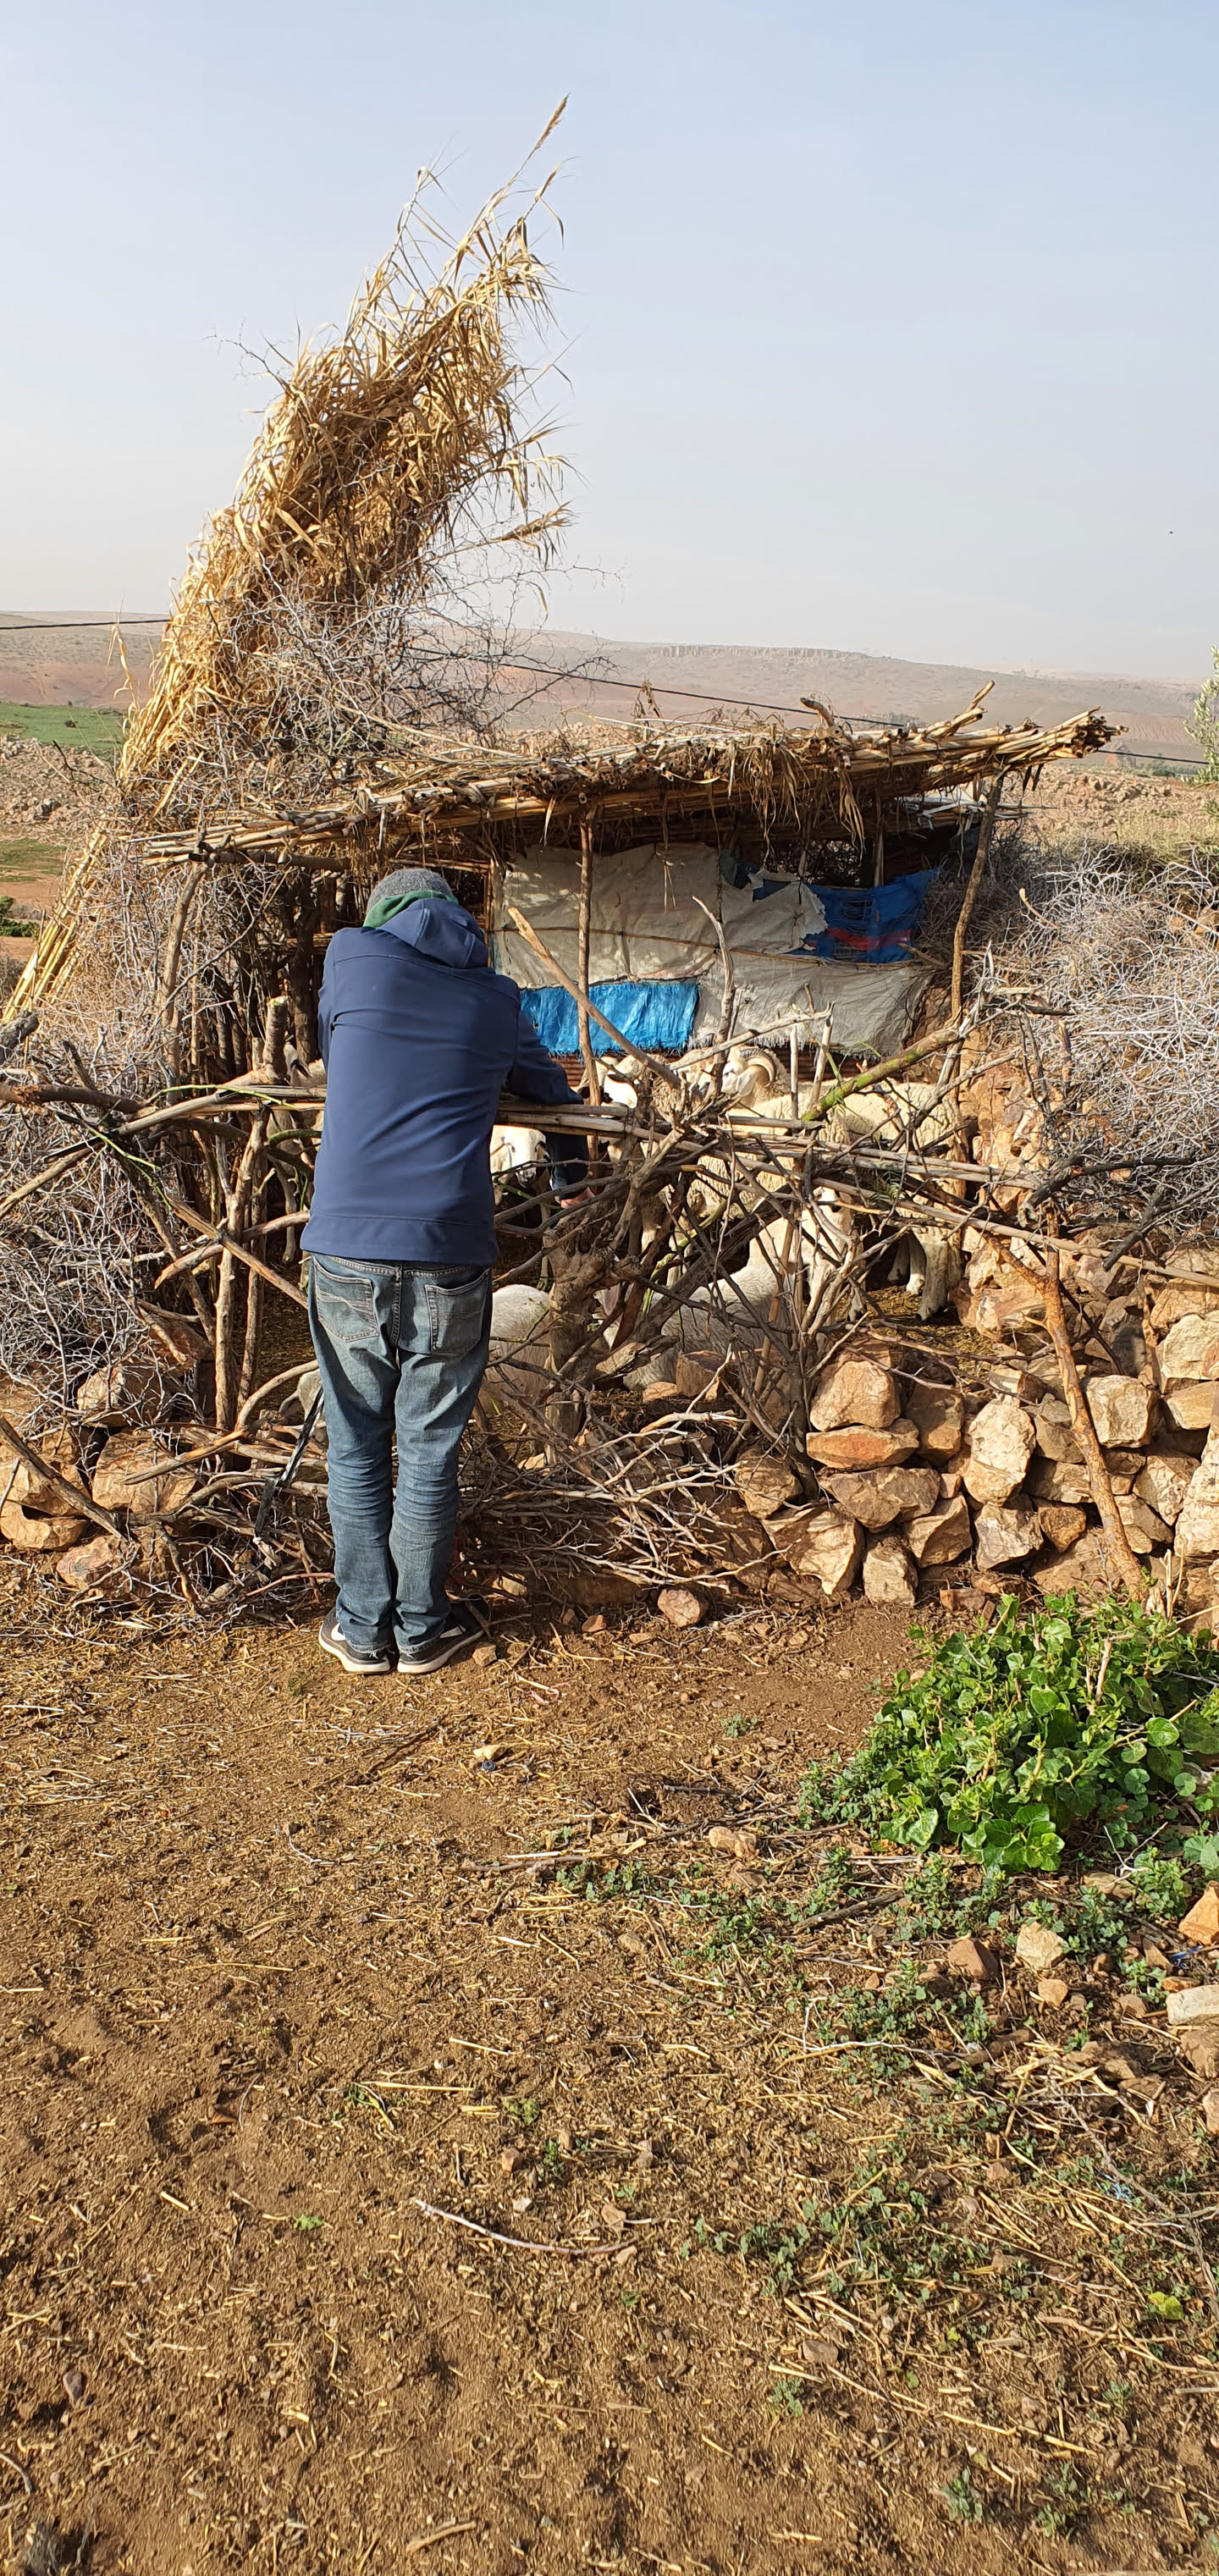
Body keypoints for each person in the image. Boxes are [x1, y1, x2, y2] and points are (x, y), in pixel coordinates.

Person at [301, 863, 587, 1678]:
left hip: (346, 1246)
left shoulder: (349, 958)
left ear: (382, 915)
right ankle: (422, 1631)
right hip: (447, 1255)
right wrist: (570, 1174)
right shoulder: (496, 1000)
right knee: (428, 1450)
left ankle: (362, 1628)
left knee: (356, 1444)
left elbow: (335, 1047)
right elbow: (554, 1094)